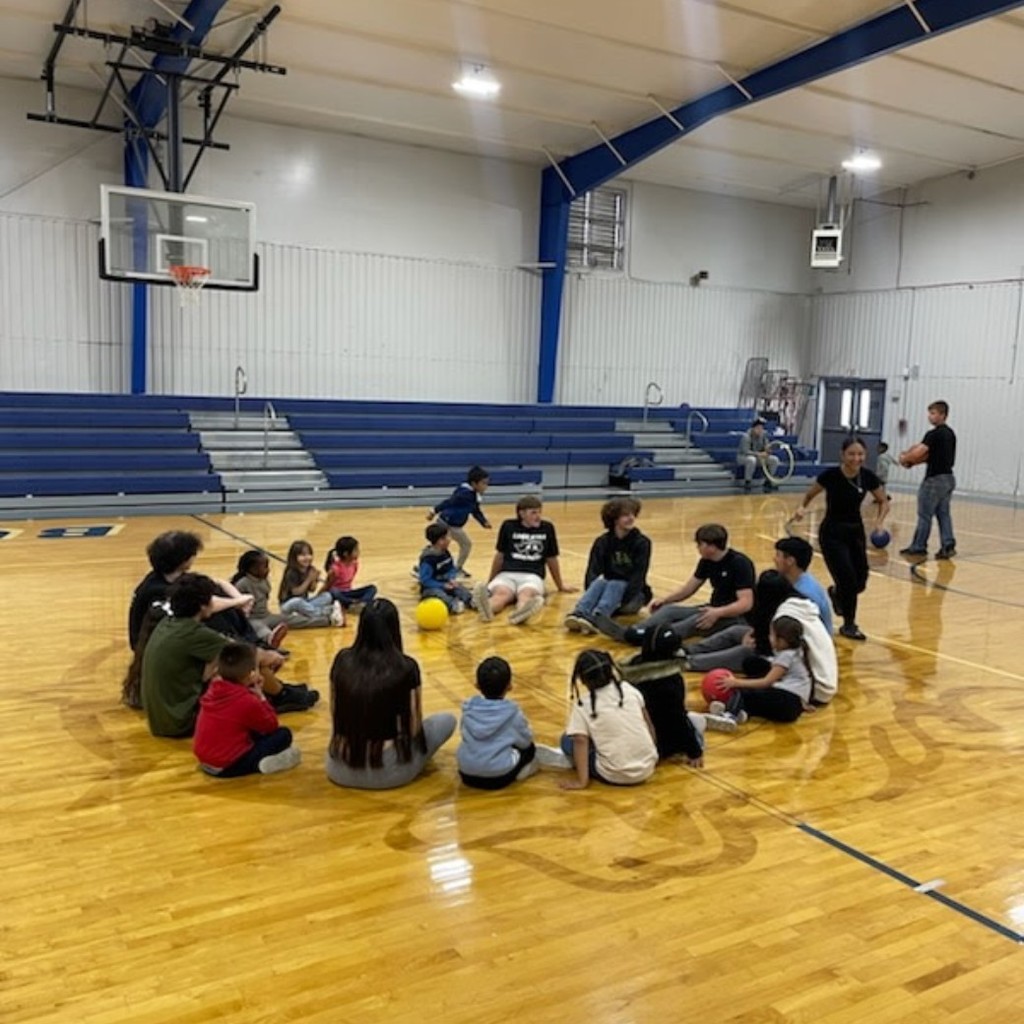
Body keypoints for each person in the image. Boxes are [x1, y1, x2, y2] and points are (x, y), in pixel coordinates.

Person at [140, 573, 317, 738]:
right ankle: (281, 694)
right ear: (203, 605)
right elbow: (249, 654)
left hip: (162, 718)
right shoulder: (192, 632)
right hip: (181, 721)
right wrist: (273, 655)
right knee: (246, 660)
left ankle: (280, 692)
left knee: (232, 659)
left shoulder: (168, 623)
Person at [326, 598, 456, 789]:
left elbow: (334, 709)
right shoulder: (406, 667)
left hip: (339, 768)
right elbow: (413, 727)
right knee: (447, 721)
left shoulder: (342, 660)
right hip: (389, 773)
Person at [791, 436, 887, 642]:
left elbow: (883, 501)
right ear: (843, 455)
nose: (856, 458)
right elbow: (810, 494)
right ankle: (849, 625)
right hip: (832, 533)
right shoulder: (831, 476)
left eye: (860, 454)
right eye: (851, 454)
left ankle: (836, 593)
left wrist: (879, 522)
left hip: (855, 533)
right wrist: (801, 508)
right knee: (848, 580)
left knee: (860, 581)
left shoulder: (868, 477)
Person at [598, 523, 754, 647]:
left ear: (711, 547)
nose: (698, 548)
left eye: (700, 544)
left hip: (732, 616)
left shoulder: (739, 563)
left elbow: (746, 603)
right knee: (670, 611)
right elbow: (689, 588)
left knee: (690, 623)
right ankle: (635, 630)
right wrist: (666, 600)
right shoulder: (707, 561)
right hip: (712, 609)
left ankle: (649, 638)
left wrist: (718, 613)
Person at [536, 649, 658, 790]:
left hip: (614, 774)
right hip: (648, 768)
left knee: (567, 740)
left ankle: (574, 763)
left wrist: (581, 782)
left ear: (582, 679)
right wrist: (651, 751)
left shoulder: (583, 704)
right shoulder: (629, 689)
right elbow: (648, 724)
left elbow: (580, 741)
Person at [128, 530, 254, 650]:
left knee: (218, 594)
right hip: (152, 645)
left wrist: (240, 598)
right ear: (182, 559)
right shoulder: (155, 589)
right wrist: (237, 602)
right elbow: (208, 603)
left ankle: (246, 641)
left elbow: (219, 582)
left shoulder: (172, 575)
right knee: (213, 613)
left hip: (171, 636)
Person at [192, 641, 301, 777]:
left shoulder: (213, 689)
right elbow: (271, 724)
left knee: (251, 730)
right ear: (250, 673)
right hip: (226, 766)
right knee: (283, 734)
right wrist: (261, 697)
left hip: (205, 760)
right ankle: (260, 764)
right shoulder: (246, 700)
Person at [472, 494, 576, 626]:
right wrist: (491, 581)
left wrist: (560, 585)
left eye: (539, 512)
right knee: (501, 595)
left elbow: (551, 558)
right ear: (521, 513)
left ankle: (521, 612)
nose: (538, 516)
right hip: (507, 574)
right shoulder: (508, 526)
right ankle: (487, 609)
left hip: (532, 575)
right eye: (533, 513)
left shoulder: (547, 528)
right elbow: (500, 556)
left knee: (526, 594)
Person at [705, 616, 816, 731]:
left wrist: (735, 682)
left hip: (786, 703)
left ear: (781, 640)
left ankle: (729, 715)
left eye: (772, 635)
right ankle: (744, 712)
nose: (769, 637)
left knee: (744, 691)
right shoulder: (798, 651)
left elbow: (766, 682)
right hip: (793, 707)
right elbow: (803, 681)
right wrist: (803, 703)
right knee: (754, 673)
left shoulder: (786, 656)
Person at [565, 497, 651, 633]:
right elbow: (592, 572)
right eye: (625, 515)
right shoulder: (602, 542)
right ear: (614, 519)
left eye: (633, 514)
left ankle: (599, 617)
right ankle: (580, 612)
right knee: (601, 582)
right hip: (607, 591)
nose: (631, 518)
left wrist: (621, 600)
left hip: (632, 596)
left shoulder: (642, 542)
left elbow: (638, 576)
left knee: (615, 583)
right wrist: (592, 594)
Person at [456, 656, 538, 789]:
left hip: (466, 773)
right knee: (530, 750)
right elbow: (525, 742)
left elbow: (464, 734)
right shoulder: (512, 712)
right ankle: (523, 772)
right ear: (509, 686)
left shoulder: (468, 708)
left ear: (477, 685)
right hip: (498, 777)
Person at [898, 400, 957, 559]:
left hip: (934, 480)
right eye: (929, 413)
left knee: (925, 515)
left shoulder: (934, 434)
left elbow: (920, 452)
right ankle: (948, 544)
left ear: (943, 415)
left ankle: (919, 546)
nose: (930, 416)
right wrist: (913, 462)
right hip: (948, 478)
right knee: (943, 514)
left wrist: (905, 458)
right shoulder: (950, 434)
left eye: (933, 413)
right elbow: (930, 457)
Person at [428, 466, 492, 577]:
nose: (486, 487)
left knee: (439, 546)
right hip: (449, 524)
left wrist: (483, 521)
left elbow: (475, 510)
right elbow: (448, 502)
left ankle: (428, 566)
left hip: (449, 523)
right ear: (474, 483)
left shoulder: (472, 495)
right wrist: (434, 511)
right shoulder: (464, 494)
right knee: (465, 544)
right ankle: (456, 569)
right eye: (483, 483)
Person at [773, 536, 833, 634]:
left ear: (790, 561)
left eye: (778, 555)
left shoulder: (804, 595)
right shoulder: (800, 580)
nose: (774, 559)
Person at [231, 550, 290, 650]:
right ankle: (271, 640)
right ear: (252, 569)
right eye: (265, 566)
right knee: (260, 628)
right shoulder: (242, 583)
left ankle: (319, 619)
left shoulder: (264, 580)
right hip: (251, 619)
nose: (268, 569)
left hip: (267, 616)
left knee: (289, 619)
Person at [278, 540, 342, 628]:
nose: (307, 557)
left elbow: (312, 590)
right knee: (297, 601)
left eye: (309, 554)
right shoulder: (291, 572)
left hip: (304, 603)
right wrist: (309, 579)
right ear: (294, 557)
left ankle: (306, 613)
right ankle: (327, 612)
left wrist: (314, 580)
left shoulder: (310, 569)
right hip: (289, 605)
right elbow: (296, 592)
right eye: (303, 555)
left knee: (327, 596)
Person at [418, 523, 473, 613]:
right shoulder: (428, 558)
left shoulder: (445, 552)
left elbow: (451, 568)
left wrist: (451, 579)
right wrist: (442, 585)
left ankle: (472, 601)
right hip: (431, 588)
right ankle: (453, 605)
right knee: (439, 594)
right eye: (447, 537)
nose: (449, 539)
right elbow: (425, 580)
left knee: (460, 589)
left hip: (446, 583)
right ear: (439, 541)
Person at [322, 536, 378, 610]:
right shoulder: (335, 569)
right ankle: (354, 603)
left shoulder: (355, 564)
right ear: (346, 554)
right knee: (333, 591)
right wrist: (317, 598)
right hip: (338, 594)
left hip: (349, 593)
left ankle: (359, 603)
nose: (358, 552)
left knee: (372, 588)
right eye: (356, 550)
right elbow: (327, 586)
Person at [736, 418, 780, 492]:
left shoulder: (763, 436)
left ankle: (768, 481)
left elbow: (766, 447)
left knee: (774, 460)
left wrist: (768, 450)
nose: (760, 430)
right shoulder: (746, 437)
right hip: (743, 457)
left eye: (761, 428)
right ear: (753, 428)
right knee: (751, 460)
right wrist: (759, 454)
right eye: (758, 428)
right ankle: (748, 481)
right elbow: (746, 451)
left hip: (758, 457)